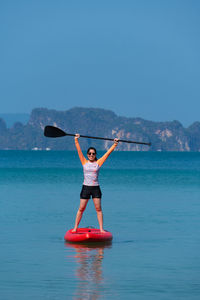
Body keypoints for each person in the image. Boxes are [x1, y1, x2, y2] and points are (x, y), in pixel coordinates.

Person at [72, 134, 119, 233]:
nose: (91, 155)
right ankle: (75, 227)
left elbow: (107, 154)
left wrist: (115, 144)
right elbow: (79, 151)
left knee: (98, 209)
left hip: (95, 188)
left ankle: (101, 229)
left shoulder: (99, 163)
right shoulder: (84, 161)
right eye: (89, 153)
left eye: (93, 154)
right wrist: (76, 140)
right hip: (85, 188)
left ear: (95, 155)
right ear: (87, 154)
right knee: (81, 208)